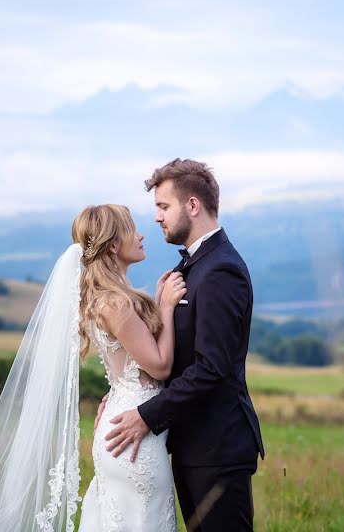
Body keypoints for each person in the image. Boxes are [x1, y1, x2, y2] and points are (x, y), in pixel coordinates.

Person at [0, 204, 186, 532]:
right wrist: (166, 308)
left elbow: (130, 367)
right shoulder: (116, 302)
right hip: (135, 436)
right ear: (112, 244)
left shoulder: (107, 299)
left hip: (120, 421)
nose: (140, 235)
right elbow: (161, 367)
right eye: (131, 229)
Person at [103, 158, 265, 532]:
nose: (157, 217)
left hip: (218, 448)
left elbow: (212, 367)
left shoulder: (221, 269)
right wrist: (123, 396)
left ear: (192, 206)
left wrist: (146, 416)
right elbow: (170, 355)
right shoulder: (193, 266)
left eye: (163, 206)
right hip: (192, 445)